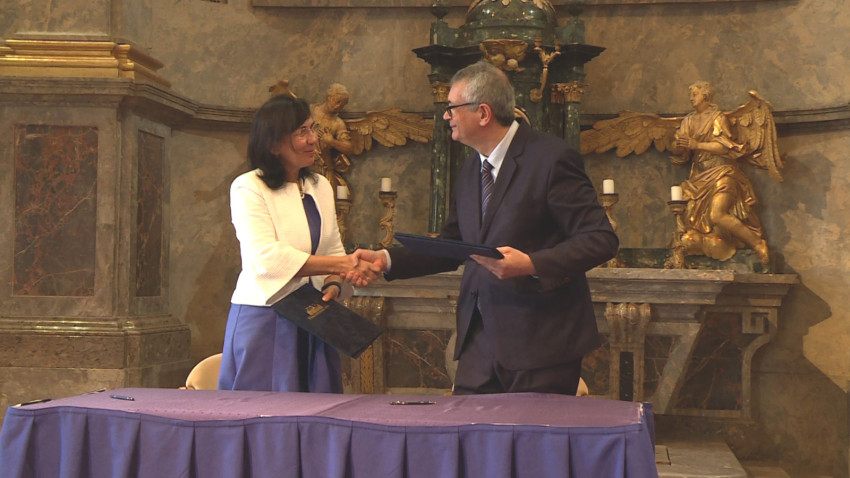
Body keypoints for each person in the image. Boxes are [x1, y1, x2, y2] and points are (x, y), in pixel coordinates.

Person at [354, 61, 618, 396]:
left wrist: (531, 264)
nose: (445, 115)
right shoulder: (469, 171)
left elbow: (600, 238)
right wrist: (387, 260)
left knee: (530, 433)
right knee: (468, 429)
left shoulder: (552, 159)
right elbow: (453, 245)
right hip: (478, 344)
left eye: (452, 107)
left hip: (542, 343)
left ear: (482, 113)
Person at [218, 94, 380, 393]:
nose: (313, 139)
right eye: (301, 132)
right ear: (272, 144)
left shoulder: (320, 185)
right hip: (266, 318)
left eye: (312, 128)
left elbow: (332, 249)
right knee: (264, 413)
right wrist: (345, 263)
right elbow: (267, 258)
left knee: (317, 409)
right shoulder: (248, 186)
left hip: (314, 315)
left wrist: (334, 283)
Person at [672, 81, 769, 263]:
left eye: (695, 94)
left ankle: (757, 243)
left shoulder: (717, 118)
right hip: (698, 177)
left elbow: (724, 147)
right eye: (690, 95)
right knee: (691, 227)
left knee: (717, 215)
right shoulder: (688, 120)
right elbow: (679, 147)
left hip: (721, 173)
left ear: (705, 95)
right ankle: (714, 240)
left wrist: (697, 145)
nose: (691, 98)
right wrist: (678, 145)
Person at [311, 83, 355, 193]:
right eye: (337, 101)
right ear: (329, 97)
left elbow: (349, 148)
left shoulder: (337, 123)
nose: (338, 106)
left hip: (325, 168)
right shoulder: (310, 111)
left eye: (342, 105)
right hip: (305, 166)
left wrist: (332, 141)